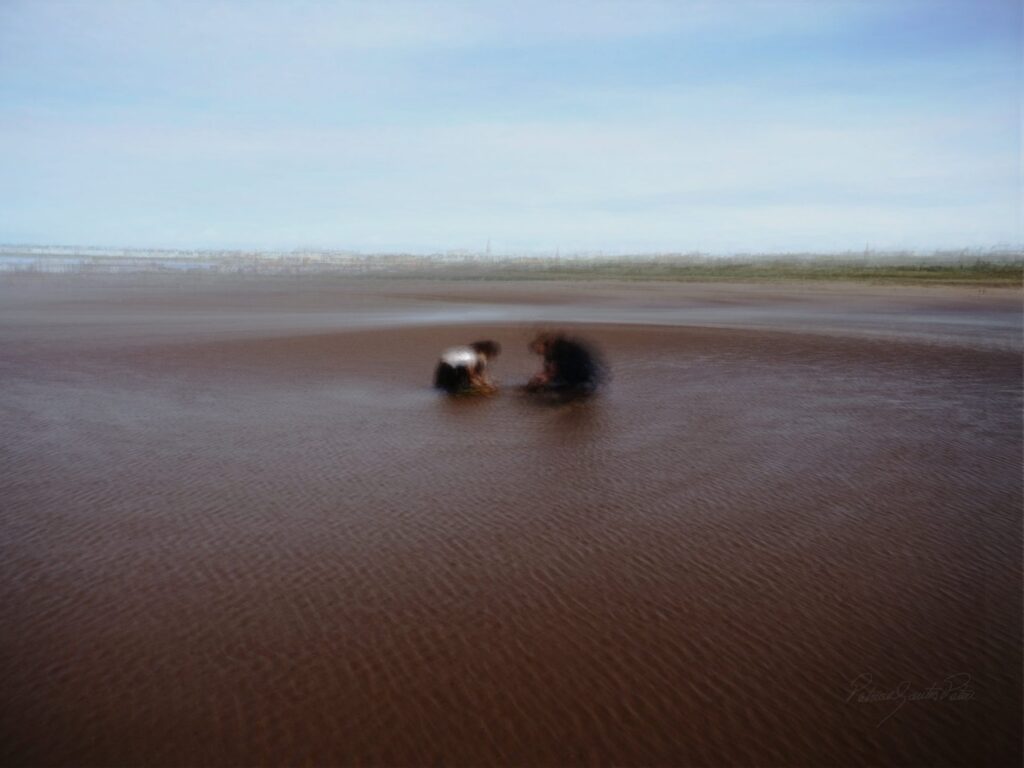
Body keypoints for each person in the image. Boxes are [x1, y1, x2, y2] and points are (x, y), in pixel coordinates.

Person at [526, 332, 604, 395]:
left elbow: (565, 369)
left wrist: (548, 377)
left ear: (546, 344)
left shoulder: (563, 349)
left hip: (581, 378)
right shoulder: (552, 352)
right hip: (579, 375)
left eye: (538, 349)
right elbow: (551, 368)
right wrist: (545, 375)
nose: (537, 352)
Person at [433, 340, 501, 394]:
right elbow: (472, 373)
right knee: (460, 386)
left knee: (446, 387)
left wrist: (483, 382)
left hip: (443, 365)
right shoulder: (476, 357)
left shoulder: (471, 350)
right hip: (451, 368)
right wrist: (484, 384)